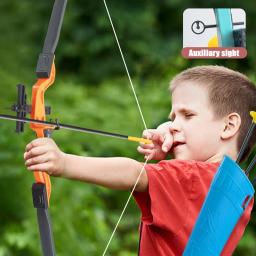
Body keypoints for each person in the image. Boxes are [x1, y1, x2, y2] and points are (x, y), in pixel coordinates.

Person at [24, 65, 256, 255]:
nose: (173, 125)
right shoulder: (233, 189)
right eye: (172, 117)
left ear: (228, 125)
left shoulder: (191, 178)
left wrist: (63, 162)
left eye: (188, 115)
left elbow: (134, 174)